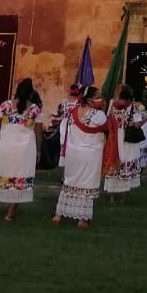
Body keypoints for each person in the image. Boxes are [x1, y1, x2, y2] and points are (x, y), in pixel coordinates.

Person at [0, 77, 43, 222]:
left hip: (6, 148)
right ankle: (10, 214)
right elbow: (38, 133)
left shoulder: (5, 106)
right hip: (25, 151)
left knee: (1, 177)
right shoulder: (35, 110)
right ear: (31, 93)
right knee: (20, 180)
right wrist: (38, 151)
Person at [54, 86, 109, 227]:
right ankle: (82, 219)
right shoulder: (99, 116)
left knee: (70, 182)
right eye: (98, 97)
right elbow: (108, 127)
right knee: (87, 184)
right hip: (90, 154)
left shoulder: (72, 112)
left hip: (73, 154)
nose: (101, 99)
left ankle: (59, 215)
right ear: (90, 100)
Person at [102, 85, 145, 203]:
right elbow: (136, 125)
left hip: (115, 137)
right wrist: (146, 119)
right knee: (127, 161)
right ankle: (123, 196)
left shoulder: (113, 105)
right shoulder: (133, 107)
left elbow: (109, 119)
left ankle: (111, 196)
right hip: (128, 139)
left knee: (115, 161)